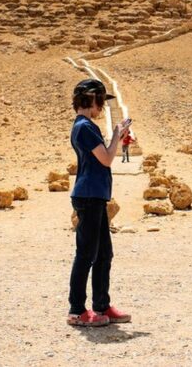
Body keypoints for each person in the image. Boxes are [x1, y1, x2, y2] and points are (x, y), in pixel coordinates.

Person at [67, 78, 133, 327]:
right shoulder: (84, 127)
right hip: (89, 195)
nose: (102, 108)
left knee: (104, 253)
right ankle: (76, 310)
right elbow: (106, 159)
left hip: (95, 195)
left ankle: (101, 306)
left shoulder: (86, 126)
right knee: (86, 253)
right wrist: (117, 134)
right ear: (91, 99)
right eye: (100, 102)